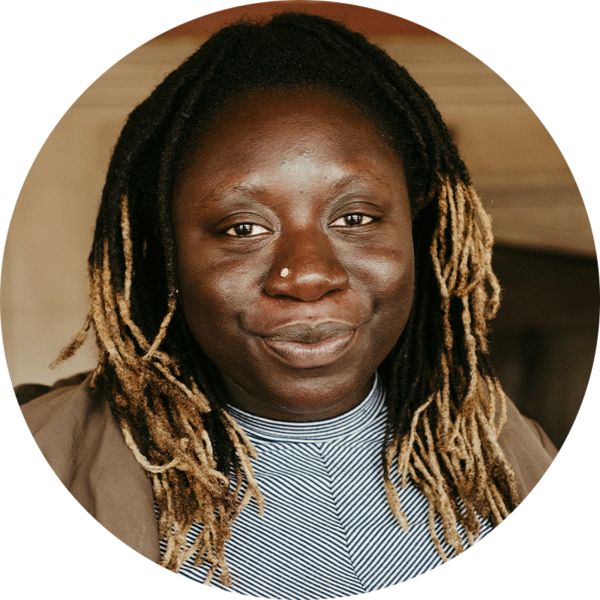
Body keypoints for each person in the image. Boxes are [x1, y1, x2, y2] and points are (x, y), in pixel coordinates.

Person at [17, 11, 556, 598]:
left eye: (356, 218)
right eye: (242, 228)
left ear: (421, 234)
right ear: (163, 257)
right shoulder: (56, 457)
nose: (308, 276)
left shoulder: (507, 450)